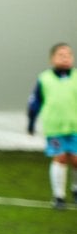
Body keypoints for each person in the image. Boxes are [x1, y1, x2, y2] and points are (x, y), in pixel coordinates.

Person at [27, 42, 77, 210]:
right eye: (60, 55)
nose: (65, 58)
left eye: (68, 55)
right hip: (55, 127)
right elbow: (35, 102)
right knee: (60, 158)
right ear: (52, 59)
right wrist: (31, 122)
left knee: (76, 159)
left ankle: (75, 189)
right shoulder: (44, 79)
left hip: (75, 127)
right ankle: (59, 196)